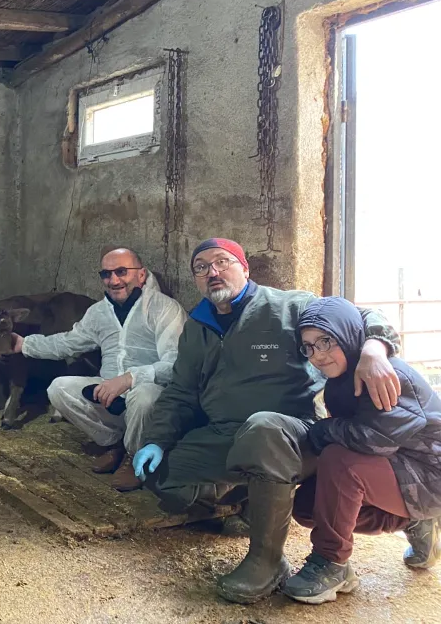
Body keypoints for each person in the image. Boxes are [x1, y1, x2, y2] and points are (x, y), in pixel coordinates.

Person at [132, 238, 402, 604]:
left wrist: (375, 347)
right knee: (167, 481)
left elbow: (363, 316)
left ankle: (267, 561)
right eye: (201, 267)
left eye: (222, 262)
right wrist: (156, 440)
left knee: (262, 429)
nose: (212, 272)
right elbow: (181, 390)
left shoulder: (290, 306)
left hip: (293, 432)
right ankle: (249, 501)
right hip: (227, 432)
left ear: (245, 268)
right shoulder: (197, 327)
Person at [283, 296, 441, 604]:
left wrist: (322, 431)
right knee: (306, 505)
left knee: (341, 461)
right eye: (310, 346)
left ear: (347, 333)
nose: (317, 355)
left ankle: (332, 563)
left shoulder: (383, 375)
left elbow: (374, 440)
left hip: (430, 474)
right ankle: (413, 520)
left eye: (326, 341)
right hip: (399, 467)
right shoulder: (343, 376)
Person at [8, 248, 186, 489]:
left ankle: (135, 456)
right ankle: (115, 443)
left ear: (141, 275)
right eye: (106, 274)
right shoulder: (99, 312)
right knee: (58, 388)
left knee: (145, 397)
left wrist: (130, 378)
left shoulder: (165, 309)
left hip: (150, 394)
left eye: (121, 272)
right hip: (110, 393)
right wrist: (25, 344)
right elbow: (68, 342)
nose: (113, 281)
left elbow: (176, 363)